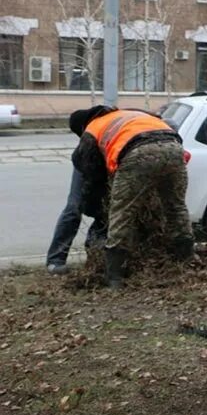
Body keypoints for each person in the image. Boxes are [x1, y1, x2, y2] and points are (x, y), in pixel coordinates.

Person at [69, 105, 195, 289]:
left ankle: (114, 277)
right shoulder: (128, 114)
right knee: (175, 208)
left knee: (121, 213)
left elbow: (89, 171)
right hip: (174, 148)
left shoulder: (92, 129)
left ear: (81, 127)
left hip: (138, 152)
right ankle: (186, 261)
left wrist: (93, 206)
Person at [46, 167, 107, 275]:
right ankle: (55, 260)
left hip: (120, 165)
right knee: (74, 208)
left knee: (105, 211)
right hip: (89, 161)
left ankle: (95, 256)